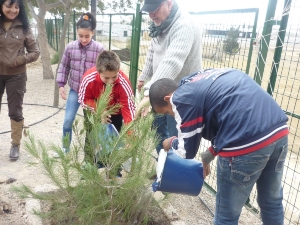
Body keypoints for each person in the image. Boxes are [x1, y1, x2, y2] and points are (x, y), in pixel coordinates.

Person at [149, 69, 289, 225]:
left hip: (245, 145)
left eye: (168, 111)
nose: (172, 115)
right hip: (279, 133)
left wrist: (172, 141)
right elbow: (230, 117)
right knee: (272, 202)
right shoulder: (197, 80)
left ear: (169, 98)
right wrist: (207, 157)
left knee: (226, 216)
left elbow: (185, 151)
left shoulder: (180, 99)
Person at [137, 0, 202, 154]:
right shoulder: (160, 24)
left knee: (176, 140)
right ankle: (162, 168)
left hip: (181, 95)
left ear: (169, 4)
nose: (151, 15)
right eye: (149, 11)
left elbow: (173, 61)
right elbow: (152, 53)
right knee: (158, 133)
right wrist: (144, 77)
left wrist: (148, 93)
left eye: (155, 9)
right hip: (160, 90)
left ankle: (173, 174)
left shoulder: (184, 25)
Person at [56, 12, 104, 155]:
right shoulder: (70, 47)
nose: (84, 39)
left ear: (92, 33)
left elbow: (104, 72)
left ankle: (92, 151)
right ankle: (65, 149)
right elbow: (64, 66)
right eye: (81, 35)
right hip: (75, 90)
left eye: (87, 36)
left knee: (92, 124)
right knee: (67, 121)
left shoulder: (99, 49)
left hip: (92, 94)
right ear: (77, 32)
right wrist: (61, 84)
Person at [78, 50, 136, 165]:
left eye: (114, 77)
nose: (110, 82)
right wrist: (99, 110)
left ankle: (113, 171)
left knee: (115, 140)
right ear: (99, 72)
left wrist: (130, 136)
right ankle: (89, 168)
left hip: (115, 112)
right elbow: (83, 99)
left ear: (118, 71)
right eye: (106, 78)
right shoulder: (88, 78)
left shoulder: (124, 82)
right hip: (93, 110)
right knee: (91, 138)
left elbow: (129, 109)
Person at [0, 0, 40, 160]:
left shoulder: (24, 27)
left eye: (17, 7)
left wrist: (18, 60)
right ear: (1, 6)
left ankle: (15, 144)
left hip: (16, 76)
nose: (13, 10)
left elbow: (35, 52)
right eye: (9, 6)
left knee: (15, 110)